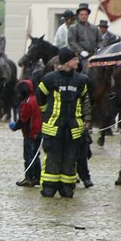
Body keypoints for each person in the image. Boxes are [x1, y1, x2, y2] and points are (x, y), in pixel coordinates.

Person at [36, 47, 91, 198]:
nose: (77, 61)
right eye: (74, 59)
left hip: (73, 127)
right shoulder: (50, 79)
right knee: (52, 157)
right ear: (66, 61)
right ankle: (49, 187)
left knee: (70, 158)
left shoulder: (81, 80)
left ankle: (67, 187)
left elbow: (86, 100)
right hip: (54, 126)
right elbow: (40, 96)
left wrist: (87, 119)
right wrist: (47, 112)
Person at [11, 79, 43, 187]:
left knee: (28, 156)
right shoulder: (37, 99)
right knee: (35, 156)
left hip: (30, 133)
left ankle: (29, 178)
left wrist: (15, 126)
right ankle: (38, 177)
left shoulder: (27, 102)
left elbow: (23, 118)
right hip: (39, 132)